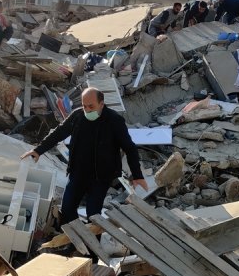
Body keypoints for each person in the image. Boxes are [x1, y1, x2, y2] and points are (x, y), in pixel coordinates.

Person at [20, 87, 148, 228]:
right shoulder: (77, 116)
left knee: (93, 215)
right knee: (67, 209)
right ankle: (74, 242)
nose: (87, 110)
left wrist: (137, 175)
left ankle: (93, 248)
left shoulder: (114, 121)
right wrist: (38, 150)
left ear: (101, 104)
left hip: (101, 177)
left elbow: (129, 148)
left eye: (91, 106)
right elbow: (59, 133)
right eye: (84, 106)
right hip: (78, 173)